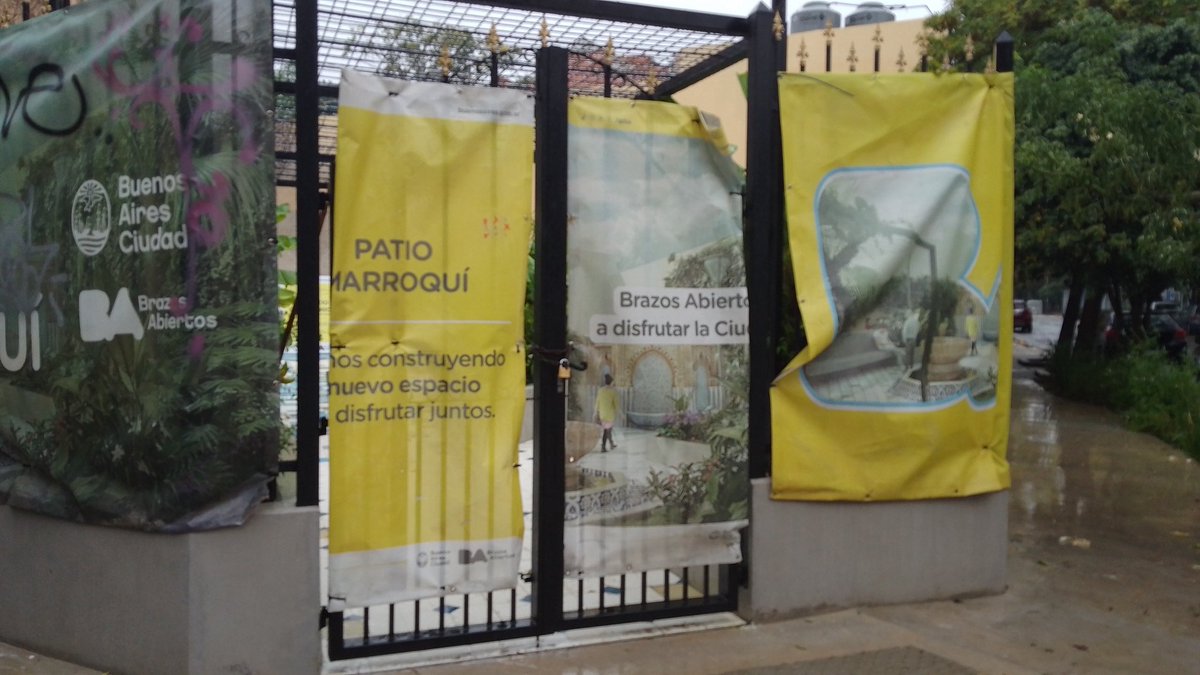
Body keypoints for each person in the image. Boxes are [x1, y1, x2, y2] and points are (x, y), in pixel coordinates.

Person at [594, 374, 619, 452]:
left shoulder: (601, 390)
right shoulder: (612, 392)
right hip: (609, 415)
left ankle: (611, 444)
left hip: (602, 414)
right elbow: (616, 404)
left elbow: (597, 402)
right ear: (611, 382)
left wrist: (596, 412)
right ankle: (603, 447)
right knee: (607, 431)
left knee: (608, 430)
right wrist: (619, 412)